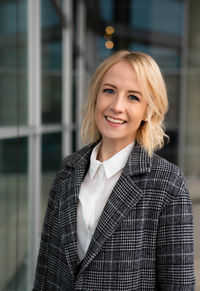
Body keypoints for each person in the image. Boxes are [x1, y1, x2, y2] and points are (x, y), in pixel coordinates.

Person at [33, 50, 195, 290]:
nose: (117, 106)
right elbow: (46, 266)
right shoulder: (68, 170)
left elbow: (178, 283)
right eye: (109, 90)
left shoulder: (167, 184)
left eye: (133, 97)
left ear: (148, 111)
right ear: (96, 96)